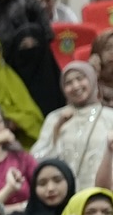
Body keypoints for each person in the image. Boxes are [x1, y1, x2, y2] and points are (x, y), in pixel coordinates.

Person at [31, 63, 113, 191]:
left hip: (102, 195)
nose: (75, 86)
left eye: (80, 78)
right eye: (68, 83)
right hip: (64, 196)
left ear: (92, 79)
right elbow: (37, 160)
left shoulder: (109, 117)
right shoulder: (55, 118)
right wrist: (58, 128)